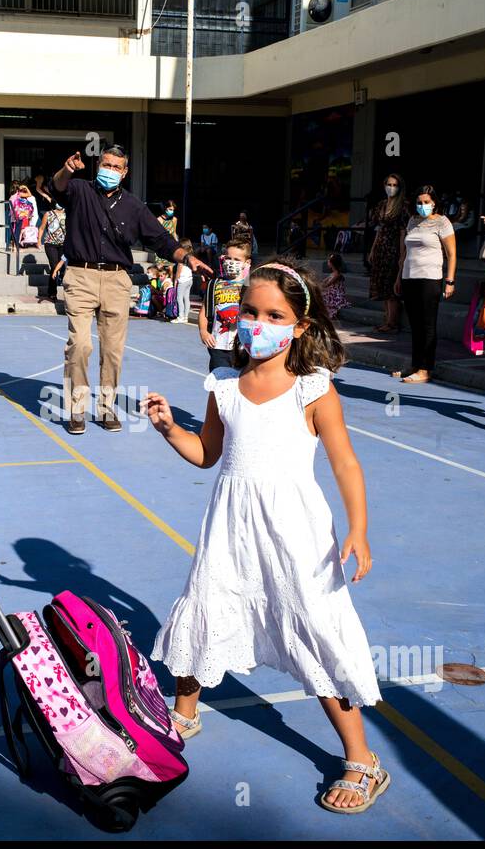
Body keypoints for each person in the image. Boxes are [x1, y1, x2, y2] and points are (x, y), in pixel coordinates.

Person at [140, 258, 388, 814]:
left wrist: (360, 529)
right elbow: (207, 454)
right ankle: (185, 713)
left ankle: (362, 759)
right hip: (230, 525)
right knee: (207, 600)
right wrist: (167, 429)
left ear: (299, 326)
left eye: (275, 314)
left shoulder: (313, 389)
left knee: (312, 624)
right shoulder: (223, 385)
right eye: (250, 311)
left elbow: (345, 463)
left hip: (294, 530)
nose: (259, 322)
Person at [50, 145, 212, 434]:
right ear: (98, 165)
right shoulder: (79, 190)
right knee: (80, 345)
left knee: (113, 349)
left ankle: (105, 407)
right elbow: (57, 187)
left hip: (117, 279)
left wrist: (188, 258)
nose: (109, 171)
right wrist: (67, 169)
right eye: (106, 165)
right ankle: (76, 409)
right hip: (80, 275)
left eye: (115, 167)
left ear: (124, 173)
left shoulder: (134, 206)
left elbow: (161, 240)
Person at [393, 185, 456, 384]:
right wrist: (398, 278)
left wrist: (450, 281)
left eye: (426, 202)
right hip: (409, 276)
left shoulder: (442, 222)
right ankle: (415, 364)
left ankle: (425, 368)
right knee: (415, 324)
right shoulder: (413, 221)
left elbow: (452, 254)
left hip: (430, 278)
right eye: (419, 202)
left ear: (434, 202)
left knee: (427, 325)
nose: (422, 206)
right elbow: (404, 254)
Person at [198, 239, 250, 371]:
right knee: (218, 384)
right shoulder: (215, 284)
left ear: (246, 263)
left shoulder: (251, 286)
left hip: (244, 347)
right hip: (218, 345)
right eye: (228, 258)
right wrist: (203, 331)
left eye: (237, 260)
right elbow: (204, 311)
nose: (231, 262)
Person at [366, 173, 407, 333]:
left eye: (395, 185)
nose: (391, 188)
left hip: (394, 249)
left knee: (391, 288)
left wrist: (401, 255)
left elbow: (403, 232)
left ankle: (392, 323)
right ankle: (386, 320)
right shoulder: (382, 205)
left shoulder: (403, 206)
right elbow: (379, 228)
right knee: (382, 287)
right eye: (389, 184)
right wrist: (373, 249)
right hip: (381, 248)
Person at [36, 198, 67, 302]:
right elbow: (42, 228)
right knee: (54, 267)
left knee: (63, 268)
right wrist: (39, 241)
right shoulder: (48, 214)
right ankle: (52, 293)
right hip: (50, 244)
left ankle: (67, 293)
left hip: (63, 244)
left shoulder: (68, 213)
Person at [172, 238, 194, 323]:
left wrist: (175, 280)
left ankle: (180, 316)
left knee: (179, 298)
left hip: (182, 280)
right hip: (189, 279)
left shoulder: (181, 258)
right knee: (186, 298)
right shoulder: (191, 256)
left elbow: (178, 271)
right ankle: (186, 316)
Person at [321, 251, 349, 318]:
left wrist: (320, 286)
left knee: (322, 296)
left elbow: (327, 284)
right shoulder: (333, 273)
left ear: (332, 263)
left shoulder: (337, 275)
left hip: (336, 295)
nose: (328, 262)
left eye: (329, 261)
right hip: (332, 292)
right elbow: (324, 281)